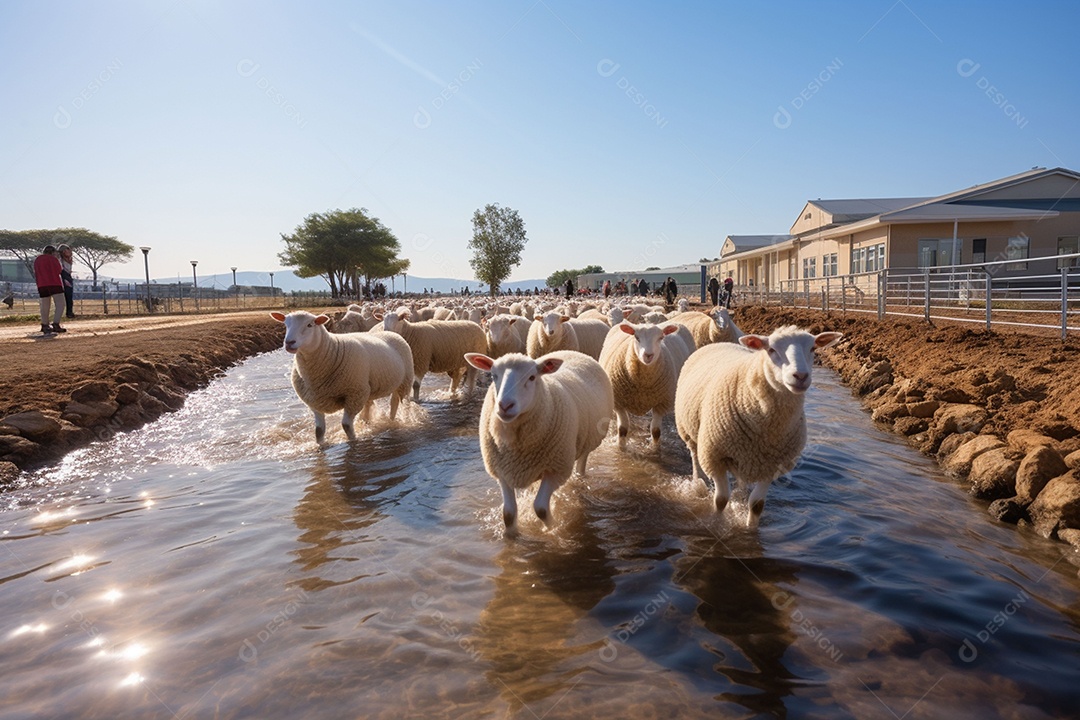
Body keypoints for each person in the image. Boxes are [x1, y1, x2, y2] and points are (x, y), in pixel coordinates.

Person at [34, 245, 67, 334]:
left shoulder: (37, 260)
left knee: (44, 306)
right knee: (60, 304)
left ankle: (44, 325)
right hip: (55, 284)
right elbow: (59, 270)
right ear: (52, 252)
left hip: (42, 284)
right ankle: (56, 323)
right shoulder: (54, 259)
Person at [58, 244, 75, 319]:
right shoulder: (60, 259)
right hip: (63, 275)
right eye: (67, 250)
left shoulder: (69, 259)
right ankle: (67, 312)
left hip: (68, 276)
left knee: (69, 296)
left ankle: (69, 312)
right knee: (65, 295)